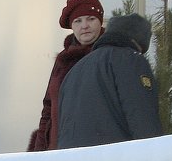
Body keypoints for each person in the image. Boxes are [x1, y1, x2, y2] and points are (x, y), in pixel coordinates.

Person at [57, 13, 163, 148]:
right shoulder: (130, 59)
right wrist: (156, 154)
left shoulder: (74, 70)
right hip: (114, 159)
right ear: (138, 42)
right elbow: (141, 114)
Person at [28, 0, 105, 151]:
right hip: (59, 149)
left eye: (91, 19)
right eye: (78, 21)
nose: (84, 25)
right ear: (71, 26)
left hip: (98, 149)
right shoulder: (63, 61)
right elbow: (48, 107)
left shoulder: (108, 56)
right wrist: (39, 151)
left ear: (100, 21)